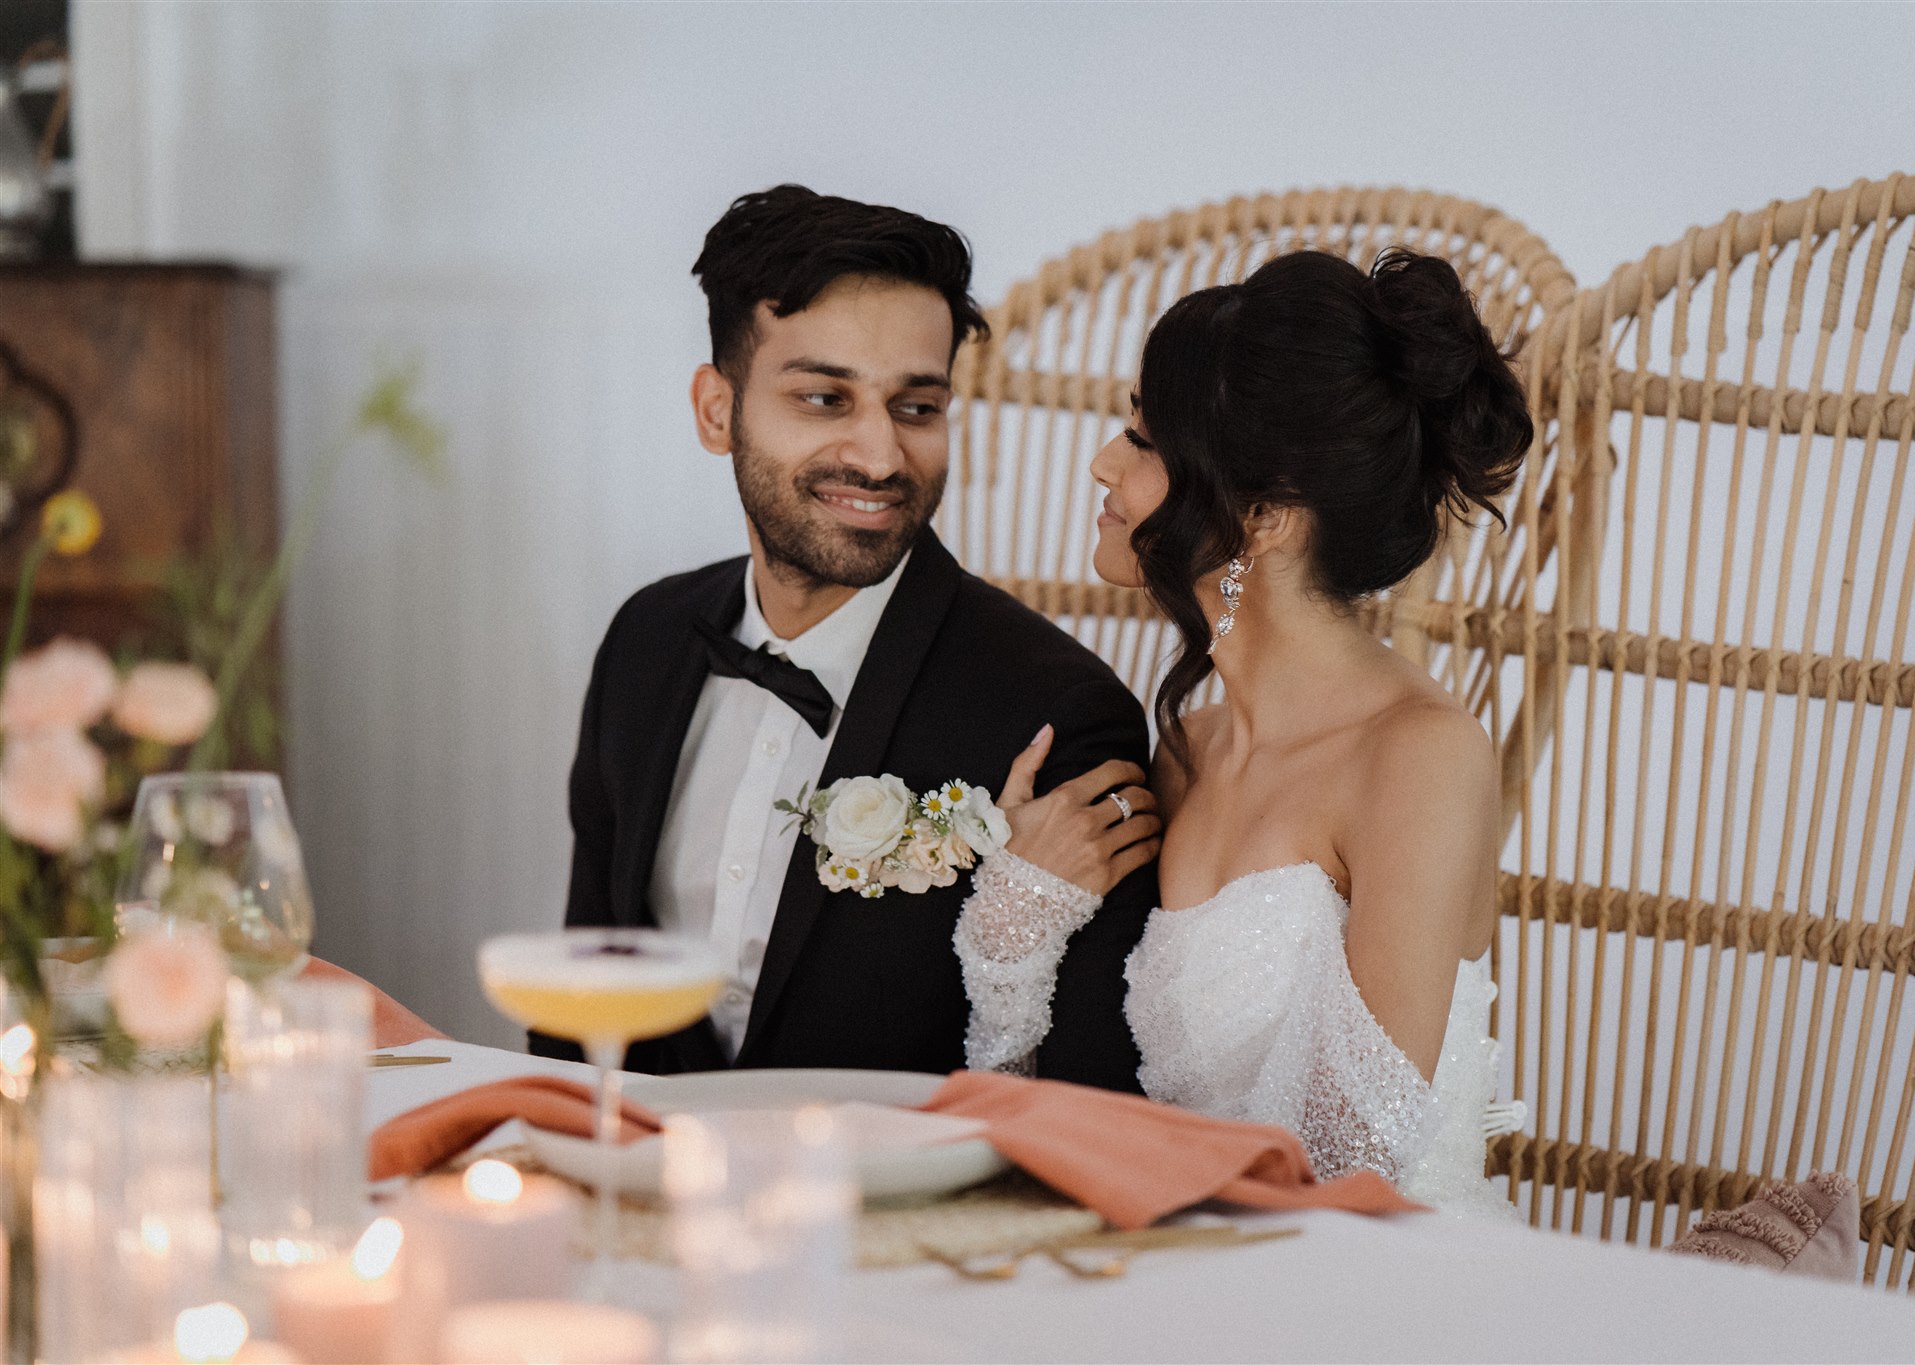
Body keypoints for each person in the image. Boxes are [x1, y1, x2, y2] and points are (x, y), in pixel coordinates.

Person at [538, 185, 1158, 1087]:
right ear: (718, 410)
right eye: (826, 398)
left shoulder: (1057, 713)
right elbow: (581, 997)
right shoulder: (647, 639)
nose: (878, 457)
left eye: (916, 408)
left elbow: (1084, 1099)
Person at [958, 247, 1531, 1214]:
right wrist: (1015, 941)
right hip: (1182, 1259)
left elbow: (1347, 1165)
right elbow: (1071, 1106)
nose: (1104, 461)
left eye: (1142, 438)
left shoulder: (1422, 759)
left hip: (1360, 1292)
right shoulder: (1184, 752)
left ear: (1263, 516)